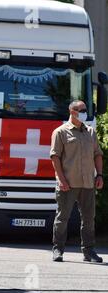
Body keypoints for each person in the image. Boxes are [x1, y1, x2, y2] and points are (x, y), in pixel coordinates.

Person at [50, 100, 104, 263]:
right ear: (72, 111)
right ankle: (58, 249)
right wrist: (61, 179)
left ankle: (89, 252)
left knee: (88, 219)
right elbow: (55, 157)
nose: (85, 112)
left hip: (88, 183)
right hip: (68, 183)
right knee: (62, 218)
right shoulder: (60, 132)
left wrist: (99, 175)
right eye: (82, 110)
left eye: (85, 110)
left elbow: (97, 154)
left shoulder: (91, 132)